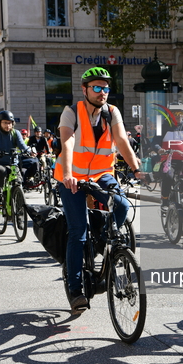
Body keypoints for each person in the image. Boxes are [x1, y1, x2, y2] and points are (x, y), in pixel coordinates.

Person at [55, 66, 141, 313]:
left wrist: (136, 169)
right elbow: (68, 141)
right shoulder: (71, 112)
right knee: (78, 233)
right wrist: (70, 174)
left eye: (105, 87)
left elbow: (122, 140)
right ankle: (76, 291)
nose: (102, 91)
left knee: (123, 204)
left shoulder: (112, 112)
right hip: (72, 178)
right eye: (96, 87)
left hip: (102, 174)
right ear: (85, 90)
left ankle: (105, 238)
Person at [0, 110, 31, 204]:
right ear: (0, 123)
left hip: (13, 163)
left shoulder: (16, 133)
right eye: (5, 123)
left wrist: (29, 151)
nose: (8, 125)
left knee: (18, 180)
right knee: (1, 172)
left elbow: (22, 145)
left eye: (10, 123)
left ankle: (19, 207)